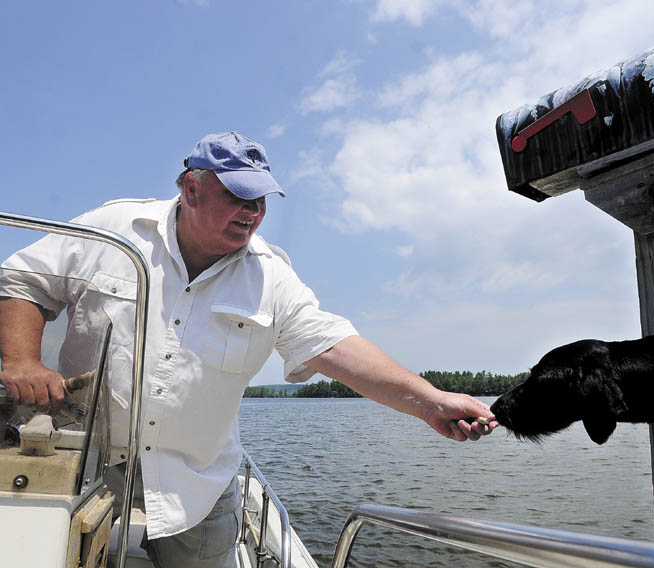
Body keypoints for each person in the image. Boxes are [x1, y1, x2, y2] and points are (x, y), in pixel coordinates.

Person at [0, 131, 497, 567]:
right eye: (239, 196)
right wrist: (21, 360)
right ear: (191, 189)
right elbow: (23, 281)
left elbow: (334, 345)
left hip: (195, 481)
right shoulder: (115, 229)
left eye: (261, 200)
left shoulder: (270, 276)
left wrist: (432, 401)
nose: (253, 213)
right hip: (86, 460)